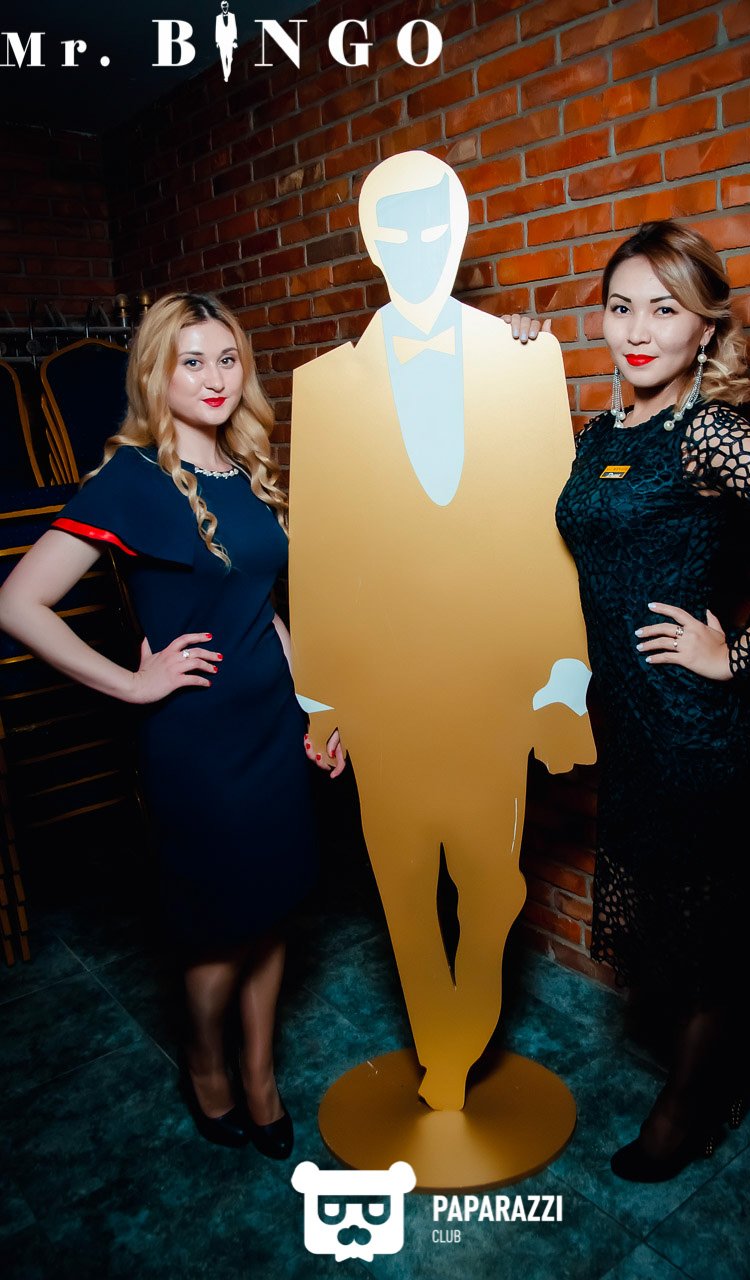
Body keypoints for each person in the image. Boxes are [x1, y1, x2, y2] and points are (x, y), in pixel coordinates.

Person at [507, 220, 750, 1181]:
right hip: (628, 731)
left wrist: (734, 654)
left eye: (663, 310)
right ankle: (711, 1081)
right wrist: (513, 366)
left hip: (697, 736)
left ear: (704, 328)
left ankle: (690, 1108)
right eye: (620, 308)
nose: (637, 330)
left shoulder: (710, 434)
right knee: (670, 932)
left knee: (705, 944)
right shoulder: (598, 436)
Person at [0, 293, 343, 1159]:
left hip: (272, 729)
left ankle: (260, 1074)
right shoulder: (130, 481)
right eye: (192, 361)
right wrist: (131, 683)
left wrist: (315, 710)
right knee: (217, 929)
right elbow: (17, 602)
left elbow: (260, 610)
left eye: (227, 358)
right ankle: (206, 1065)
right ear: (156, 373)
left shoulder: (247, 470)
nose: (214, 378)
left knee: (273, 910)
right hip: (197, 744)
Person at [290, 151, 595, 1112]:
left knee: (489, 880)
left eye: (434, 229)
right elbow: (318, 552)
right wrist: (321, 700)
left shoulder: (525, 359)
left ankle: (458, 1035)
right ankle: (445, 1056)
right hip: (383, 691)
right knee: (402, 888)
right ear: (370, 244)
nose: (419, 248)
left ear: (457, 235)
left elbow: (554, 535)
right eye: (398, 232)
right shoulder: (324, 386)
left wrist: (564, 684)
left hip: (493, 683)